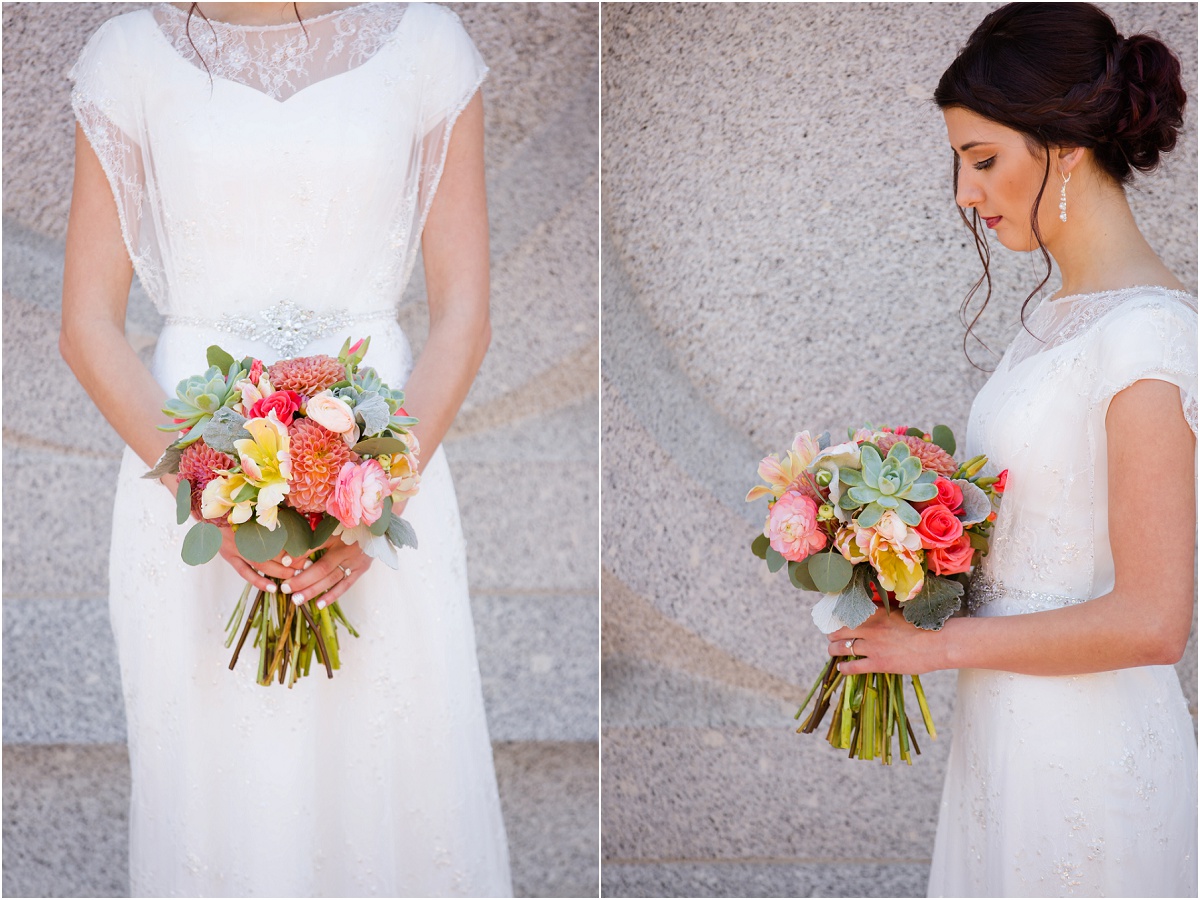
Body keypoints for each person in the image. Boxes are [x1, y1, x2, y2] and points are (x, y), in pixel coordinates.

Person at [60, 2, 512, 895]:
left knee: (392, 770)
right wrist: (205, 490)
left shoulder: (427, 45)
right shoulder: (127, 57)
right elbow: (85, 327)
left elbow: (465, 313)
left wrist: (377, 492)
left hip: (383, 459)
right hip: (189, 462)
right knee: (222, 785)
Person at [823, 4, 1197, 897]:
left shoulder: (1150, 335)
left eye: (984, 160)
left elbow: (1154, 622)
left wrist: (940, 646)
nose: (964, 193)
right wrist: (900, 562)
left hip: (1091, 759)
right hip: (1007, 735)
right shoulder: (1051, 318)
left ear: (1065, 146)